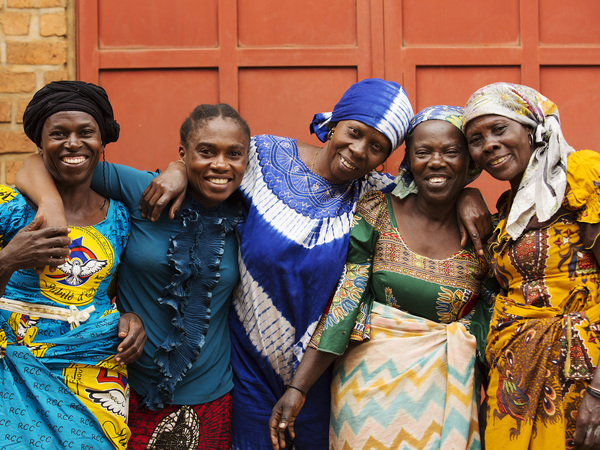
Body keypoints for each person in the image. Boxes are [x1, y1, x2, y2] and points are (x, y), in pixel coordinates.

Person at [140, 79, 492, 449]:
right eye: (354, 132)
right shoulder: (263, 156)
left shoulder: (376, 194)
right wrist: (177, 168)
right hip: (248, 366)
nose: (358, 151)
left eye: (377, 147)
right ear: (335, 123)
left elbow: (434, 184)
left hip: (322, 373)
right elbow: (211, 172)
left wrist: (470, 194)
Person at [15, 103, 251, 449]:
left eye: (233, 154)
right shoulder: (144, 189)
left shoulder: (248, 209)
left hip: (211, 395)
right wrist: (51, 205)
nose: (220, 164)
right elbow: (37, 163)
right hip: (126, 390)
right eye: (205, 152)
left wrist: (180, 169)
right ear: (183, 153)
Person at [268, 105, 494, 449]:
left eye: (451, 152)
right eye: (423, 152)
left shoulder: (485, 232)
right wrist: (298, 388)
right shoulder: (378, 211)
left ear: (470, 162)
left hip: (449, 395)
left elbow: (493, 318)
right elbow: (346, 299)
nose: (436, 162)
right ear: (409, 161)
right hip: (368, 392)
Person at [0, 80, 146, 449]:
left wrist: (131, 318)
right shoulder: (10, 208)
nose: (73, 143)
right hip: (14, 362)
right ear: (40, 143)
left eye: (86, 132)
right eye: (58, 134)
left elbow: (110, 292)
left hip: (93, 367)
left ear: (102, 142)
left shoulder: (120, 217)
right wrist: (9, 259)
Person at [462, 82, 600, 450]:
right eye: (476, 139)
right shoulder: (508, 211)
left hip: (583, 379)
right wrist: (464, 193)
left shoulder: (581, 177)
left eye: (499, 129)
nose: (488, 143)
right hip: (516, 384)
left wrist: (599, 393)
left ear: (531, 127)